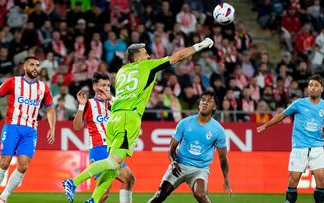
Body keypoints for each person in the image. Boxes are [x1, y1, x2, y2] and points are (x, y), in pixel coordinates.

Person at [62, 37, 214, 203]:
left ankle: (92, 200)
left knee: (115, 167)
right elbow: (177, 57)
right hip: (129, 118)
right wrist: (200, 45)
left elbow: (123, 96)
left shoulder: (122, 72)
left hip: (114, 117)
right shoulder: (147, 66)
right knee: (113, 162)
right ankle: (73, 182)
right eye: (145, 53)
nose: (149, 56)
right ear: (136, 58)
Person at [0, 56, 56, 203]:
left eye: (37, 65)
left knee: (23, 166)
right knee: (4, 162)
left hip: (30, 131)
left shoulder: (43, 88)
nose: (35, 67)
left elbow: (50, 109)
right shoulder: (12, 82)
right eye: (32, 64)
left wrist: (52, 128)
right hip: (12, 127)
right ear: (24, 67)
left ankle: (4, 196)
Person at [148, 91, 231, 203]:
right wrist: (173, 163)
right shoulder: (185, 123)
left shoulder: (218, 130)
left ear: (214, 106)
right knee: (160, 195)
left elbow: (223, 157)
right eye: (203, 100)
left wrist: (226, 178)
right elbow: (172, 148)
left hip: (200, 169)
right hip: (179, 165)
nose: (205, 103)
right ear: (199, 104)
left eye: (209, 101)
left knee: (201, 195)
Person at [64, 72, 135, 203]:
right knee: (105, 192)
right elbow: (77, 126)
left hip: (114, 148)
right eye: (103, 85)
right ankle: (73, 182)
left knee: (128, 179)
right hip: (99, 148)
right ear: (95, 87)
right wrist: (81, 106)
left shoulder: (115, 104)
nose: (107, 88)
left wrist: (111, 99)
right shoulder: (89, 104)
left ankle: (73, 184)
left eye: (108, 85)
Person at [257, 74, 324, 203]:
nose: (313, 88)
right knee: (293, 181)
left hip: (317, 148)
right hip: (299, 148)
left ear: (322, 88)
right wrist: (265, 125)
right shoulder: (299, 103)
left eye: (316, 86)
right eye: (311, 85)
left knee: (322, 182)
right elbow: (282, 115)